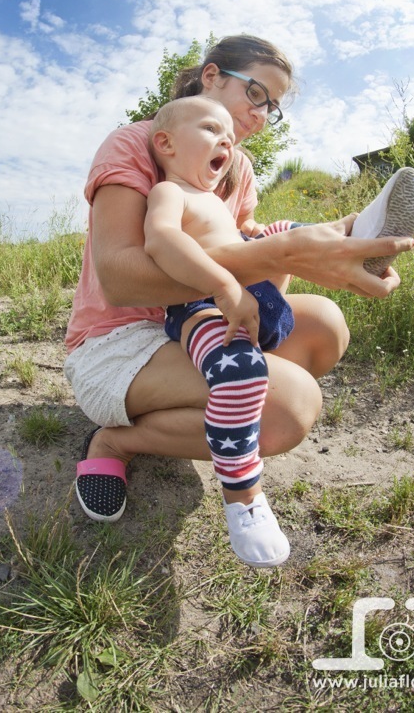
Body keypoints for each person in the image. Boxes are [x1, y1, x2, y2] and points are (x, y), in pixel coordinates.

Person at [64, 34, 414, 552]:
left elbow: (243, 243)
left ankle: (353, 231)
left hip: (206, 316)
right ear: (211, 77)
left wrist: (310, 244)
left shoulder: (237, 168)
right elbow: (120, 278)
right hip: (119, 341)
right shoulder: (137, 144)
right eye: (256, 93)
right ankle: (118, 439)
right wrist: (277, 256)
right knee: (288, 407)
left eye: (271, 107)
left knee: (324, 326)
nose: (261, 114)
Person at [145, 95, 308, 566]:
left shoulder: (216, 201)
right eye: (213, 130)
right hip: (199, 305)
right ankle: (242, 495)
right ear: (166, 143)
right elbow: (162, 239)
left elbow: (245, 240)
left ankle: (352, 231)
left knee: (286, 232)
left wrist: (278, 239)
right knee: (242, 372)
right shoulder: (171, 192)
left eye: (230, 139)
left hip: (254, 300)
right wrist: (220, 286)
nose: (228, 141)